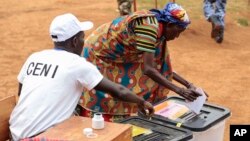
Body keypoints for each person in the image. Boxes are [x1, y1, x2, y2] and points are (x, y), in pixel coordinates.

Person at [9, 13, 154, 140]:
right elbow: (118, 91)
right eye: (82, 38)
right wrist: (141, 102)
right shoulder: (77, 64)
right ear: (74, 41)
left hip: (15, 132)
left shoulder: (35, 57)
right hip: (41, 137)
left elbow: (22, 94)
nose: (83, 43)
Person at [81, 2, 206, 121]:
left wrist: (188, 84)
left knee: (144, 80)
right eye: (178, 31)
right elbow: (149, 70)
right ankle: (105, 119)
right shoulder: (149, 29)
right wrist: (179, 90)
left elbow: (162, 67)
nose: (177, 36)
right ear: (169, 25)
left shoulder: (159, 31)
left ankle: (140, 109)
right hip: (99, 53)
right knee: (111, 89)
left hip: (121, 54)